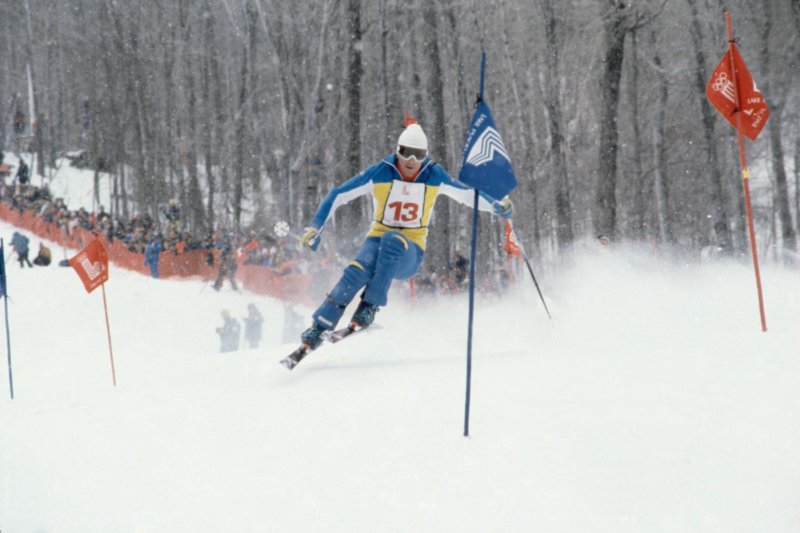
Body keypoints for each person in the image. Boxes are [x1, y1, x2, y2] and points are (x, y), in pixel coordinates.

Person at [296, 119, 513, 349]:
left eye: (418, 155)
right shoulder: (381, 172)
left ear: (425, 156)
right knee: (356, 271)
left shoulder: (433, 175)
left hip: (410, 252)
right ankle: (319, 327)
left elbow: (467, 194)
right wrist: (315, 227)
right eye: (406, 153)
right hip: (376, 241)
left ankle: (369, 307)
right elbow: (339, 194)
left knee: (394, 239)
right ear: (397, 151)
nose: (411, 161)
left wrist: (496, 205)